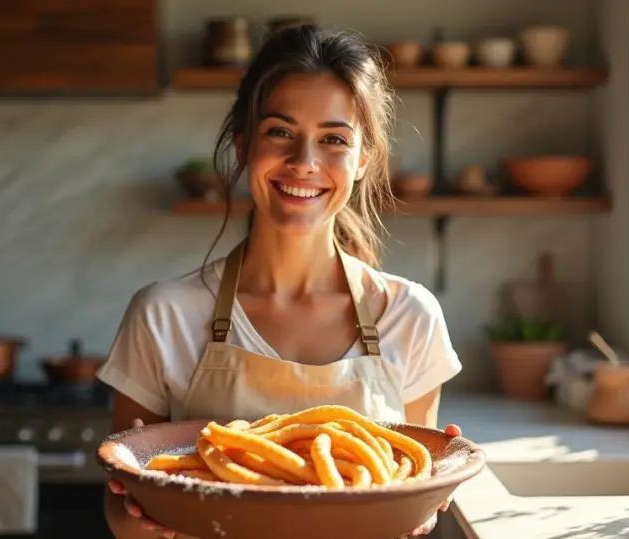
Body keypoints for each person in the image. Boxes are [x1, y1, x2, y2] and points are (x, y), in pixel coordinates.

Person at [99, 25, 464, 539]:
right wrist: (144, 511)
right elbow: (120, 515)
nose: (304, 163)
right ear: (245, 145)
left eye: (334, 139)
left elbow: (412, 497)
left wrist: (425, 500)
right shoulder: (163, 314)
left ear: (363, 160)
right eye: (279, 132)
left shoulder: (408, 316)